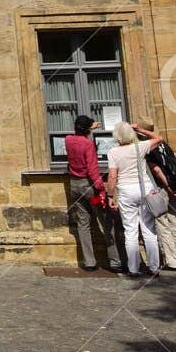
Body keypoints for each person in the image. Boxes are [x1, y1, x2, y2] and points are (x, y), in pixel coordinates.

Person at [65, 115, 122, 272]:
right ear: (88, 129)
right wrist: (102, 190)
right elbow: (92, 170)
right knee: (106, 220)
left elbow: (78, 132)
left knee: (83, 223)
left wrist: (90, 126)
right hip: (90, 189)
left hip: (75, 186)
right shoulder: (88, 144)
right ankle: (115, 261)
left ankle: (89, 262)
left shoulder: (68, 140)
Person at [107, 121, 163, 277]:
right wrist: (140, 129)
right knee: (149, 230)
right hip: (144, 188)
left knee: (130, 231)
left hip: (126, 190)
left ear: (117, 137)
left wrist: (110, 195)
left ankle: (133, 268)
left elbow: (112, 176)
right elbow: (159, 138)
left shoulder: (113, 152)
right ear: (131, 135)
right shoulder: (140, 146)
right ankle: (153, 267)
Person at [138, 121, 176, 271]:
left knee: (163, 224)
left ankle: (173, 261)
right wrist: (174, 187)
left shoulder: (148, 148)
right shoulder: (164, 145)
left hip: (162, 188)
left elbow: (156, 170)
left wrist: (168, 187)